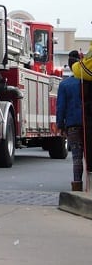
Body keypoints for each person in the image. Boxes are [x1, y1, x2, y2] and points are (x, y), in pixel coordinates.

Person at [57, 50, 86, 191]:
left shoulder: (64, 85)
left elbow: (60, 107)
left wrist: (60, 125)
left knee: (76, 156)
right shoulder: (86, 82)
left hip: (72, 125)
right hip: (88, 124)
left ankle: (77, 184)